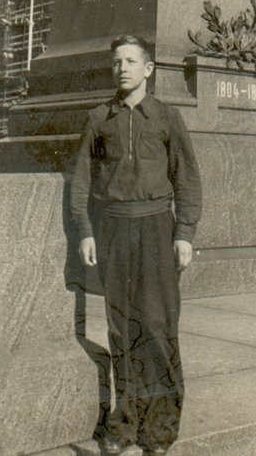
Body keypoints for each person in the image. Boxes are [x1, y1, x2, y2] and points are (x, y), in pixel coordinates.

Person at [70, 35, 202, 456]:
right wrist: (86, 231)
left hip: (156, 231)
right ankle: (124, 423)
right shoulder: (99, 119)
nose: (121, 68)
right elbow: (81, 182)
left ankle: (160, 430)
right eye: (116, 62)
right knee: (121, 330)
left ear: (148, 70)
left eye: (130, 61)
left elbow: (187, 179)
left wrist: (184, 234)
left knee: (159, 328)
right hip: (113, 232)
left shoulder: (165, 117)